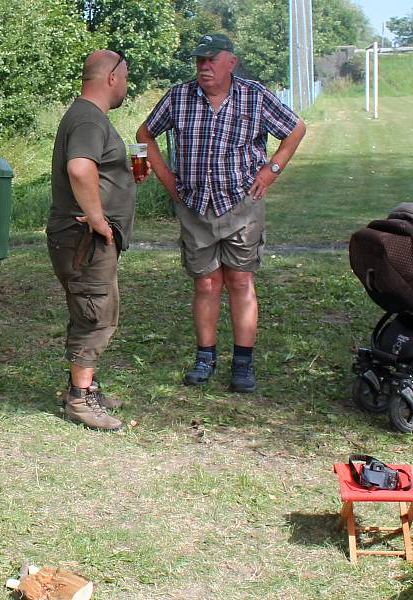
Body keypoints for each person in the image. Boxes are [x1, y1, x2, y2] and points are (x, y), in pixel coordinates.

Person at [136, 33, 306, 393]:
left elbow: (295, 129)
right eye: (200, 60)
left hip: (242, 204)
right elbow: (144, 134)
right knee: (206, 283)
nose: (204, 66)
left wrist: (272, 169)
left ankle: (243, 363)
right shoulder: (179, 97)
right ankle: (205, 357)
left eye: (212, 59)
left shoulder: (253, 96)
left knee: (240, 281)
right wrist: (168, 180)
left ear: (231, 61)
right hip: (195, 205)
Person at [48, 49, 147, 431]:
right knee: (95, 315)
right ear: (111, 78)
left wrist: (119, 179)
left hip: (82, 239)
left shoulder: (87, 116)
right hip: (84, 238)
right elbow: (80, 167)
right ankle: (78, 399)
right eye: (124, 76)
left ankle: (86, 388)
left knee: (91, 309)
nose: (125, 84)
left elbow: (94, 167)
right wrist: (97, 219)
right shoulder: (89, 118)